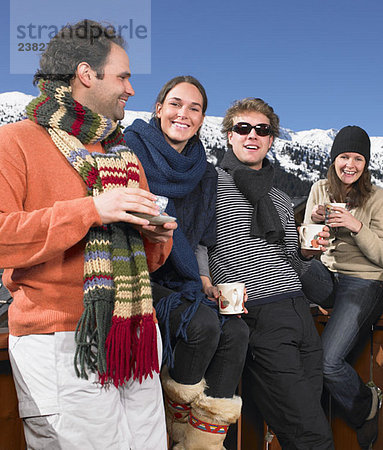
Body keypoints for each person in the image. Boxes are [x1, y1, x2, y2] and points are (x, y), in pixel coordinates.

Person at [0, 20, 175, 448]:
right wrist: (92, 209)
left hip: (133, 337)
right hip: (61, 342)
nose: (131, 89)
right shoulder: (15, 141)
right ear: (85, 74)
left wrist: (156, 237)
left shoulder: (121, 153)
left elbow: (153, 260)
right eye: (123, 76)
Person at [124, 75, 249, 448]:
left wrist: (205, 278)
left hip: (183, 277)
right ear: (159, 108)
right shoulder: (129, 151)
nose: (184, 114)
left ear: (202, 119)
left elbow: (198, 239)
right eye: (176, 104)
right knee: (201, 326)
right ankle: (175, 424)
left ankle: (203, 442)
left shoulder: (204, 172)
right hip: (136, 271)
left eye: (194, 108)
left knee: (237, 330)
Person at [204, 97, 334, 449]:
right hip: (258, 314)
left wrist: (308, 253)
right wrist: (206, 280)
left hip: (299, 313)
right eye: (242, 128)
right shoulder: (210, 183)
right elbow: (196, 241)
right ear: (228, 135)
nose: (252, 135)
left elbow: (294, 259)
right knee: (312, 436)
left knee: (305, 427)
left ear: (271, 139)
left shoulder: (278, 197)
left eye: (262, 130)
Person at [300, 125, 383, 449]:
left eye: (358, 158)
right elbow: (306, 252)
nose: (350, 165)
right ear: (334, 159)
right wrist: (312, 229)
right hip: (326, 277)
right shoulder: (319, 190)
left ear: (366, 163)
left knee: (327, 362)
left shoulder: (379, 198)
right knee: (293, 264)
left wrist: (355, 226)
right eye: (344, 157)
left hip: (365, 283)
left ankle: (365, 405)